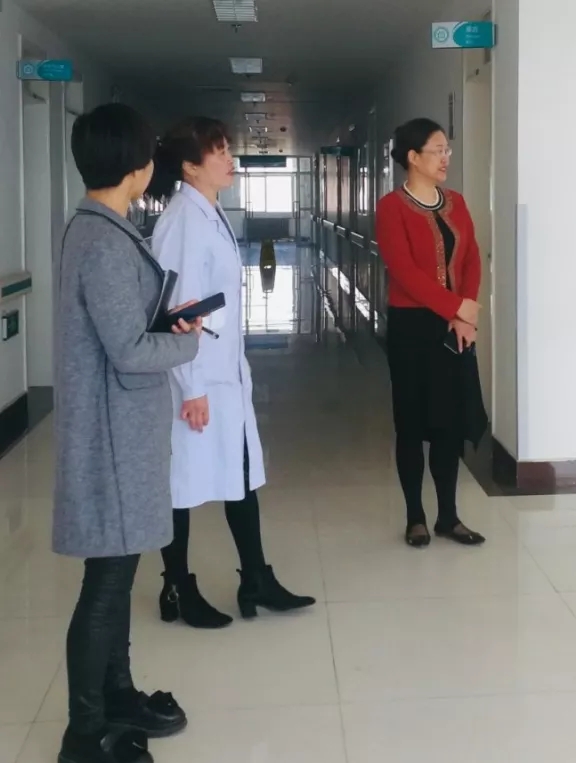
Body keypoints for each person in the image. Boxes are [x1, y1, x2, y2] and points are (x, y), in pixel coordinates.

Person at [53, 102, 200, 763]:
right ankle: (84, 734)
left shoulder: (100, 229)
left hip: (120, 430)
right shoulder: (103, 241)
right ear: (137, 168)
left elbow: (124, 330)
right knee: (107, 586)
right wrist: (184, 342)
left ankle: (117, 694)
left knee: (116, 575)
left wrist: (165, 322)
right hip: (113, 438)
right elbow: (130, 349)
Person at [146, 117, 315, 629]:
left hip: (224, 374)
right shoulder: (182, 220)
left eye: (227, 150)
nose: (229, 159)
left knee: (240, 473)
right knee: (180, 484)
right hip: (195, 380)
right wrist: (192, 388)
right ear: (189, 166)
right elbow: (178, 311)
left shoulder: (209, 211)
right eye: (217, 152)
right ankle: (177, 587)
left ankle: (256, 578)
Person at [374, 118, 488, 548]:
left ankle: (449, 517)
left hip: (454, 326)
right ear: (413, 157)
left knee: (448, 423)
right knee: (411, 423)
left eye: (447, 150)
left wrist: (465, 312)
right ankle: (415, 517)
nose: (445, 158)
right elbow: (403, 271)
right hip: (411, 328)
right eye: (437, 150)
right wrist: (455, 307)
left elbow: (472, 257)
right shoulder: (391, 207)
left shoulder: (456, 202)